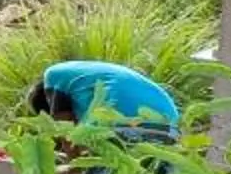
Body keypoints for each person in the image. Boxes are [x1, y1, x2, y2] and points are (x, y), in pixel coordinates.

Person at [25, 59, 181, 141]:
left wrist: (72, 167)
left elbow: (65, 129)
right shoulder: (84, 79)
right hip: (170, 126)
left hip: (126, 124)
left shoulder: (52, 76)